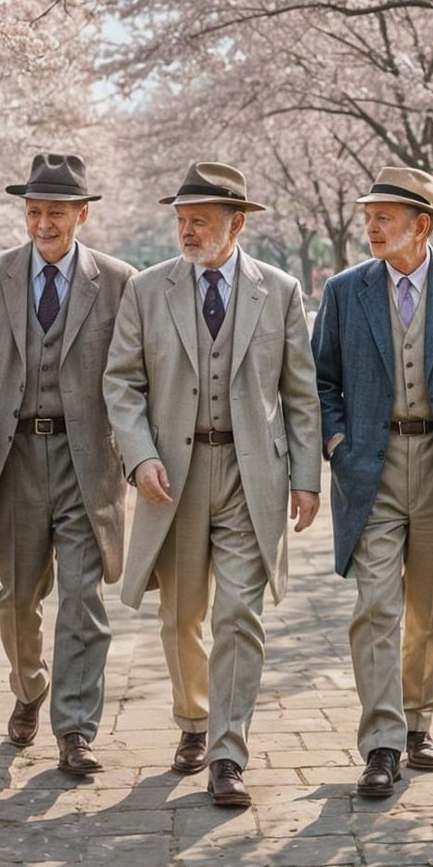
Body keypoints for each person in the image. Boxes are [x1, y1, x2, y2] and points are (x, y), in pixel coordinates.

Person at [104, 162, 322, 808]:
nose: (187, 231)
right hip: (172, 477)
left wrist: (306, 479)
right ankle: (194, 721)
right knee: (180, 616)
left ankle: (229, 752)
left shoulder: (279, 291)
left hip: (251, 475)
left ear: (237, 224)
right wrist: (139, 458)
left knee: (239, 614)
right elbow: (121, 383)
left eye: (200, 220)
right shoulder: (147, 291)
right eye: (181, 219)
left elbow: (301, 394)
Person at [311, 166, 433, 799]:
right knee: (376, 608)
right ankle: (381, 743)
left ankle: (419, 722)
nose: (371, 226)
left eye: (385, 217)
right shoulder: (345, 291)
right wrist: (339, 444)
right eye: (369, 215)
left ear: (421, 226)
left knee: (428, 610)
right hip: (369, 468)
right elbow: (320, 382)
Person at [0, 154, 135, 777]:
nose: (43, 223)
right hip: (15, 458)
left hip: (90, 462)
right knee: (17, 597)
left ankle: (76, 729)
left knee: (84, 599)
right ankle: (30, 687)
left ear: (82, 214)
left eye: (56, 212)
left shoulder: (117, 282)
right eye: (33, 211)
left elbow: (136, 377)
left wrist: (141, 456)